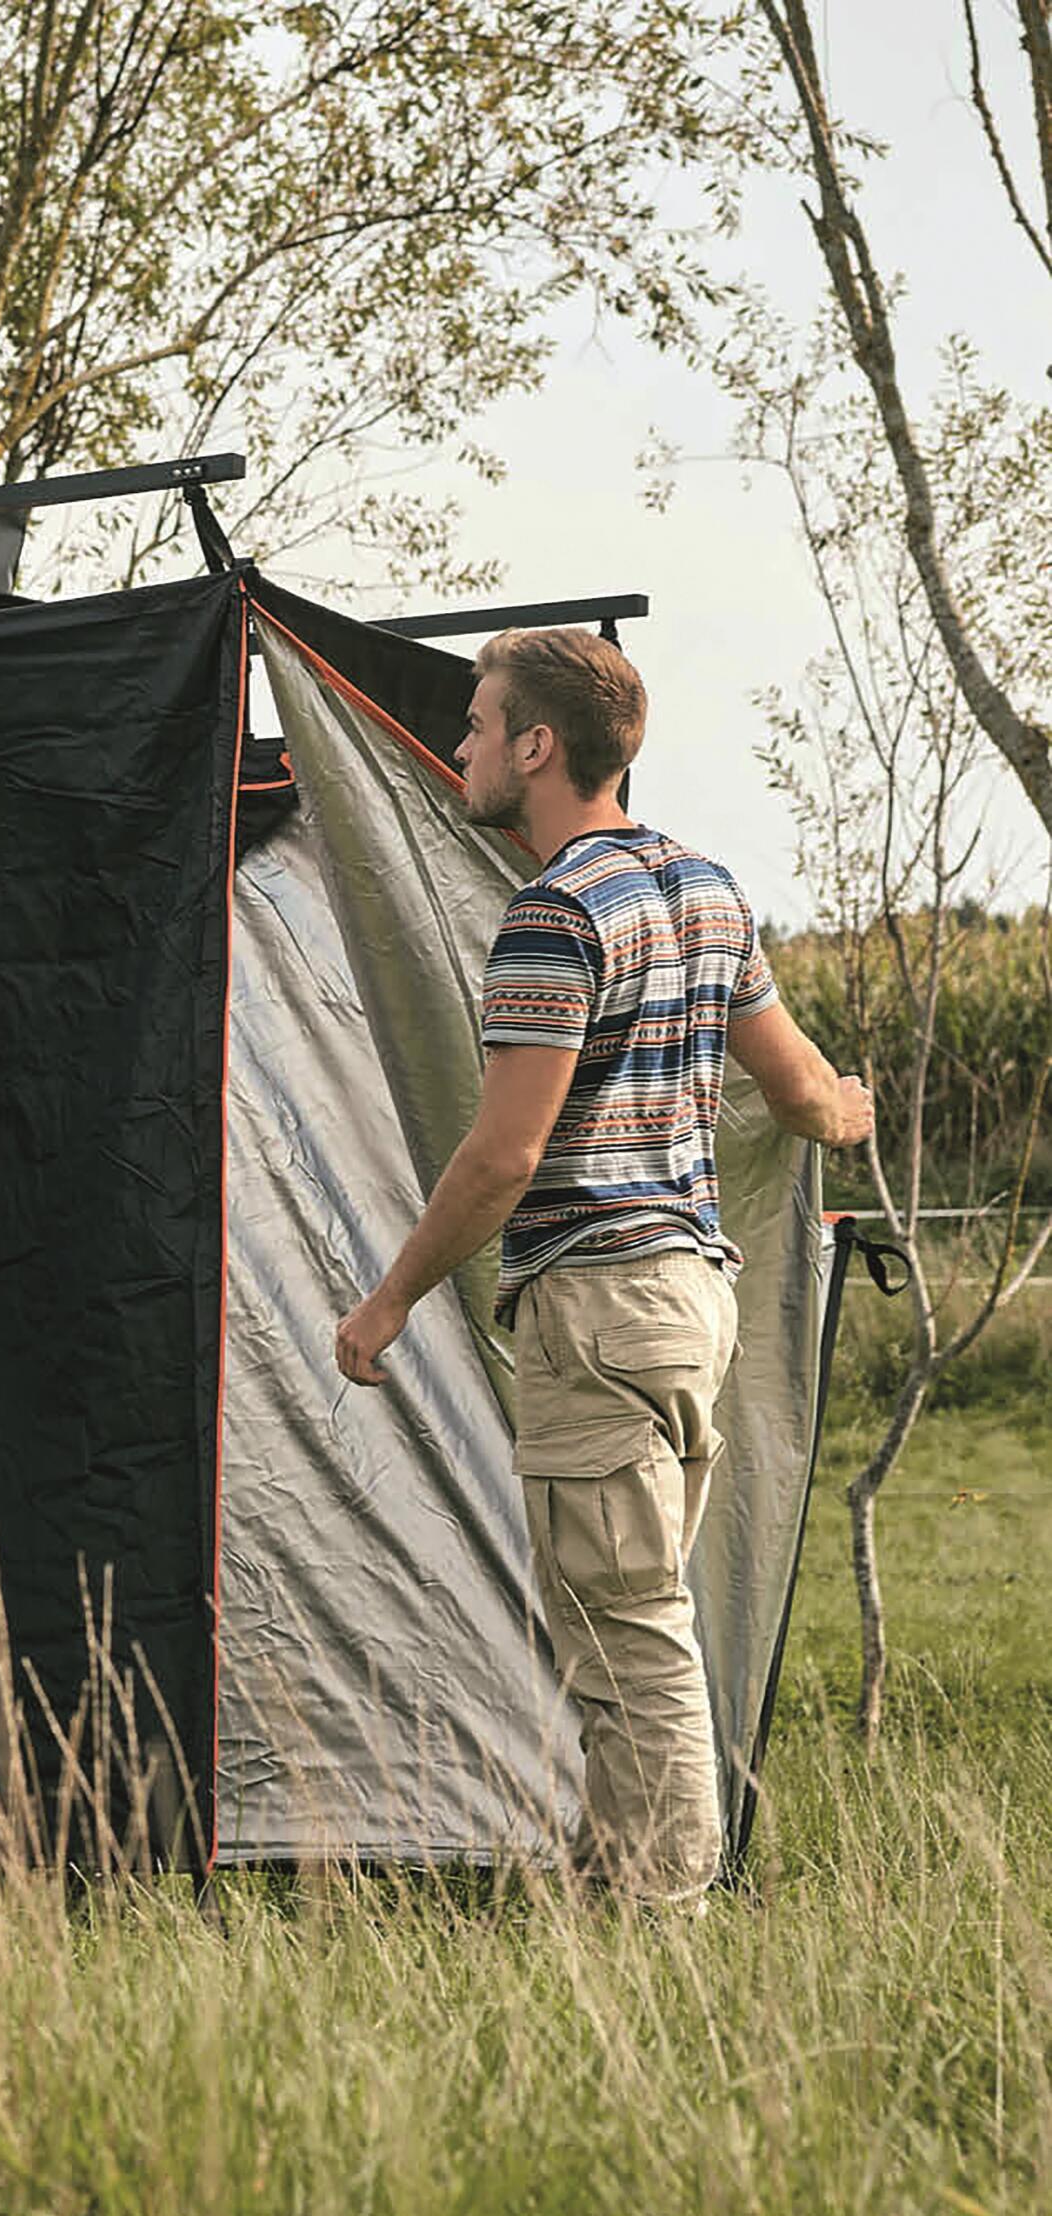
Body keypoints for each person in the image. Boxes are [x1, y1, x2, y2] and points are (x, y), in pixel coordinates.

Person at [332, 628, 873, 1904]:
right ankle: (614, 1878)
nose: (461, 745)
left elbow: (503, 1156)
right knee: (629, 1609)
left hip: (597, 1304)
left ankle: (661, 1909)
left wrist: (389, 1299)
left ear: (536, 745)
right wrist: (848, 1112)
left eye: (478, 724)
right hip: (690, 1300)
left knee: (627, 1635)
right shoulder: (705, 889)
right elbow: (798, 1089)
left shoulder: (555, 914)